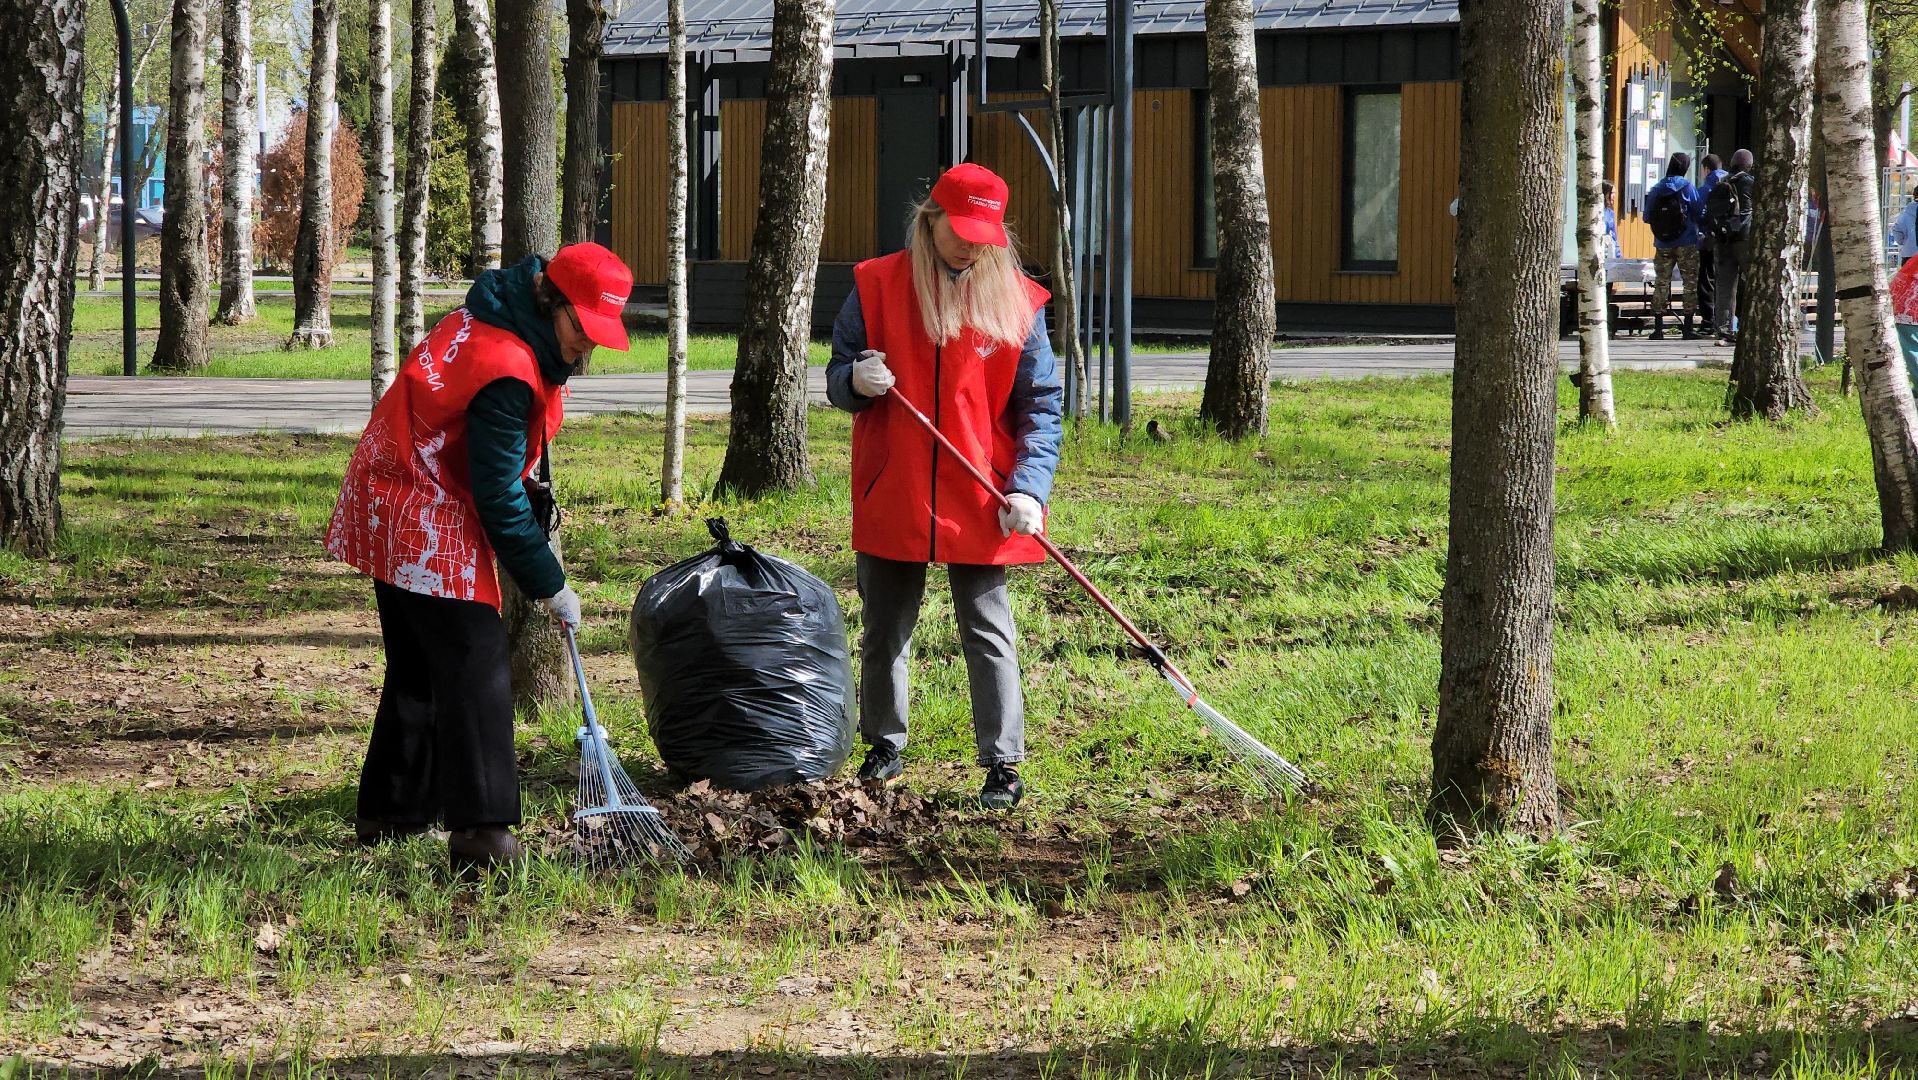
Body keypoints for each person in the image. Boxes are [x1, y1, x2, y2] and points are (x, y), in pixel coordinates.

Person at [325, 243, 634, 873]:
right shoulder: (507, 368)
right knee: (476, 663)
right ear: (552, 302)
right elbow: (495, 496)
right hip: (419, 503)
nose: (587, 347)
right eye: (582, 328)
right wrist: (549, 581)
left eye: (600, 334)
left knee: (419, 665)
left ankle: (391, 812)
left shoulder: (496, 317)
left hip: (387, 485)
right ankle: (483, 833)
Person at [826, 163, 1063, 810]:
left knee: (988, 628)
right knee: (885, 626)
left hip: (981, 489)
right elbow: (837, 373)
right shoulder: (876, 285)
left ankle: (1003, 763)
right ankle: (884, 745)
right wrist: (855, 381)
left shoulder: (1018, 301)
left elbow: (1041, 405)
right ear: (929, 219)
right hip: (893, 484)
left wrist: (1030, 490)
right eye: (959, 228)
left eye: (983, 233)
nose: (970, 244)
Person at [1644, 151, 1704, 340]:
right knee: (1689, 283)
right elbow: (1699, 211)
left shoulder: (1656, 188)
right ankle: (1687, 328)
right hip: (1686, 242)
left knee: (1661, 282)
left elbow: (1647, 217)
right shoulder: (1687, 187)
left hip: (1662, 243)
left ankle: (1658, 328)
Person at [1701, 149, 1755, 346]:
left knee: (1724, 286)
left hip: (1722, 240)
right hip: (1745, 239)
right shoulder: (1750, 182)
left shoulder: (1721, 183)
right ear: (1748, 165)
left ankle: (1723, 330)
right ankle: (1750, 326)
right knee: (1753, 283)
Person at [1695, 153, 1727, 326]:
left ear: (1706, 169)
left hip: (1708, 239)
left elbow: (1698, 213)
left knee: (1707, 279)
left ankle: (1709, 319)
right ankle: (1727, 319)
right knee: (1726, 278)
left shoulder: (1706, 188)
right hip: (1729, 238)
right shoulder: (1731, 182)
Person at [1891, 192, 1918, 263]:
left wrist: (1905, 242)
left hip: (1910, 254)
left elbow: (1897, 230)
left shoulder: (1905, 214)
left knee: (1909, 274)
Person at [1601, 181, 1621, 259]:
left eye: (1615, 193)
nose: (1614, 196)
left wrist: (1618, 256)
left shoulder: (1610, 213)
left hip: (1609, 252)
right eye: (1612, 193)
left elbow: (1614, 236)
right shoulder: (1596, 213)